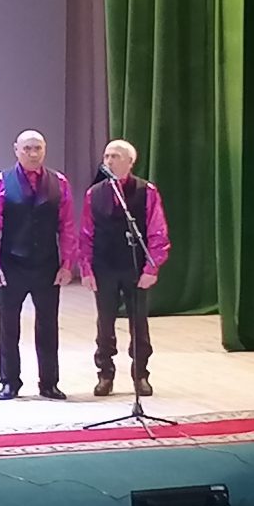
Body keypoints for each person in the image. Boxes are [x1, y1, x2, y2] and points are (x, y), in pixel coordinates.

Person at [0, 130, 77, 401]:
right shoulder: (1, 181)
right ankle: (10, 381)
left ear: (45, 149)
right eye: (27, 149)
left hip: (47, 265)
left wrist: (67, 263)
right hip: (12, 264)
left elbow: (67, 226)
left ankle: (49, 382)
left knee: (48, 326)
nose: (33, 154)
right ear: (16, 150)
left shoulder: (59, 182)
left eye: (38, 148)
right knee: (9, 327)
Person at [79, 139, 169, 395]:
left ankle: (140, 374)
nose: (109, 161)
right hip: (104, 266)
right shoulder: (94, 193)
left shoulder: (146, 191)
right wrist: (86, 269)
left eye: (115, 156)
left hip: (135, 266)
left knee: (138, 322)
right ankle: (105, 374)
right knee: (105, 322)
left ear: (130, 162)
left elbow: (157, 231)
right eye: (107, 156)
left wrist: (152, 268)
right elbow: (86, 234)